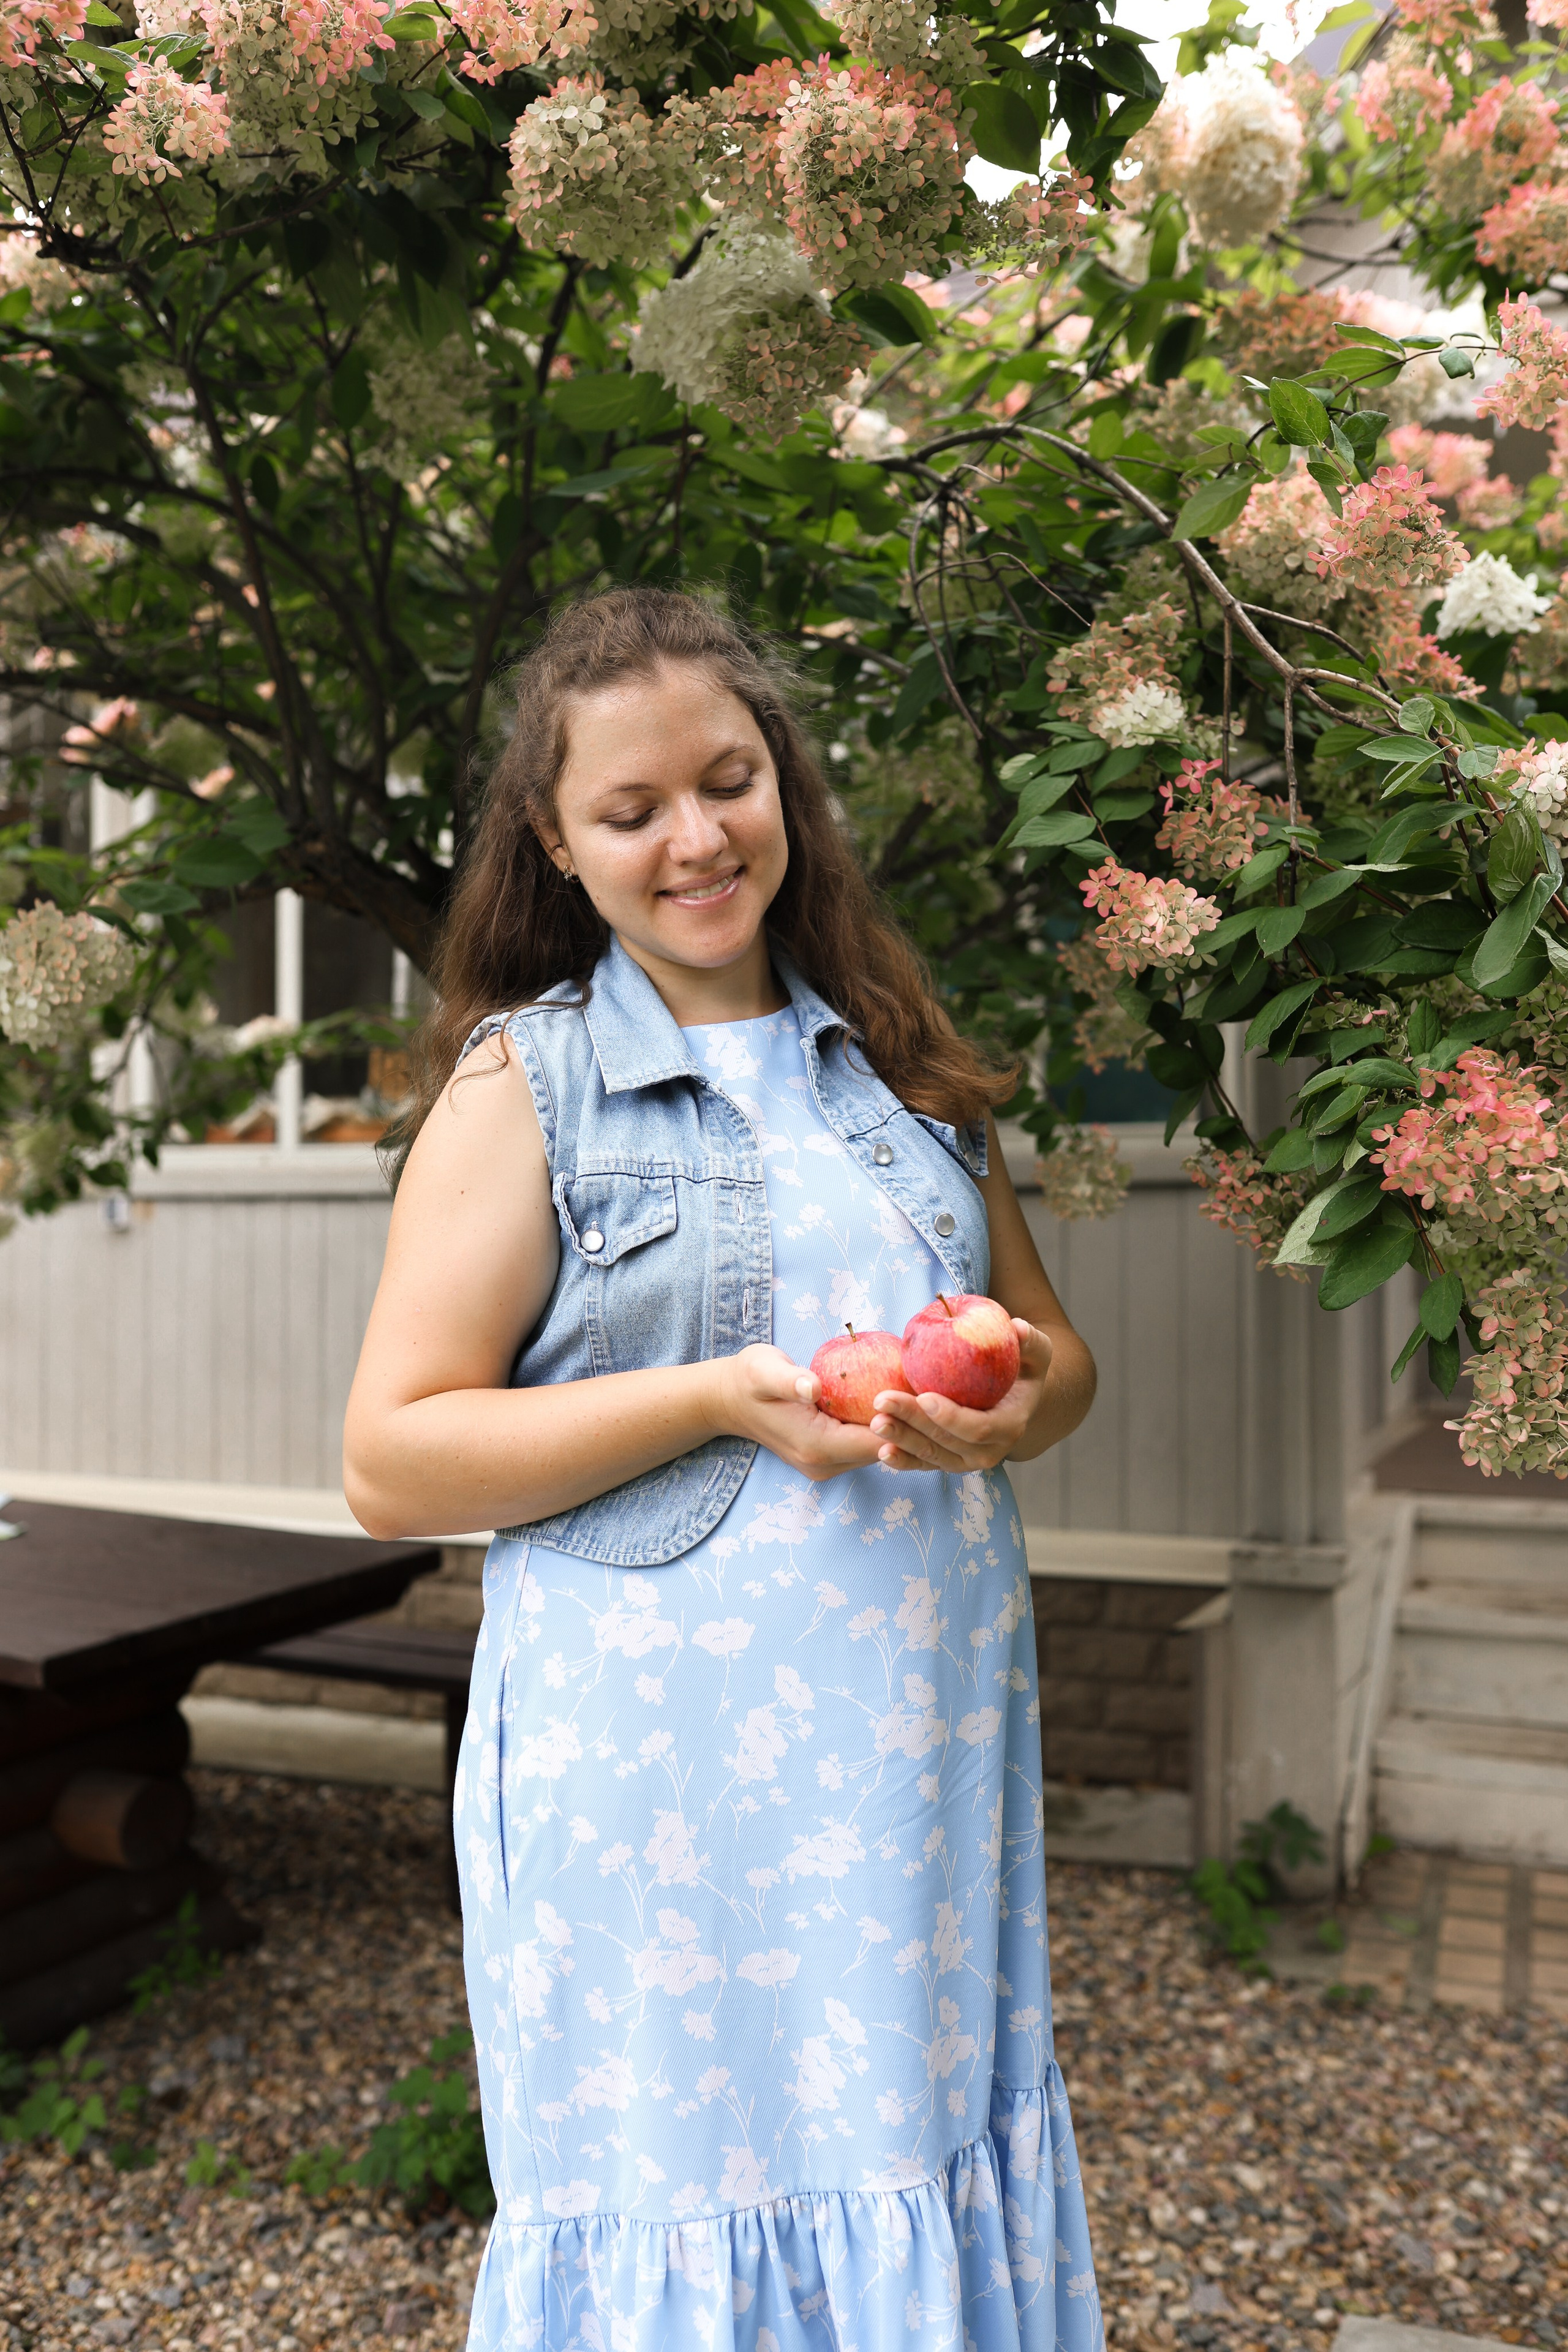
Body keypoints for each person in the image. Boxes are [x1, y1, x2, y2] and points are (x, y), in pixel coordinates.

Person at [344, 587, 1102, 2352]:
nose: (698, 839)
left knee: (906, 2138)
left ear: (786, 785)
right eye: (634, 812)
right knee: (690, 2181)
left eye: (731, 781)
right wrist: (708, 1400)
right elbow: (393, 1459)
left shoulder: (897, 1059)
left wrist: (1016, 1408)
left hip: (916, 1754)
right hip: (665, 1784)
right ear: (561, 842)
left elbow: (1053, 1358)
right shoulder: (525, 1089)